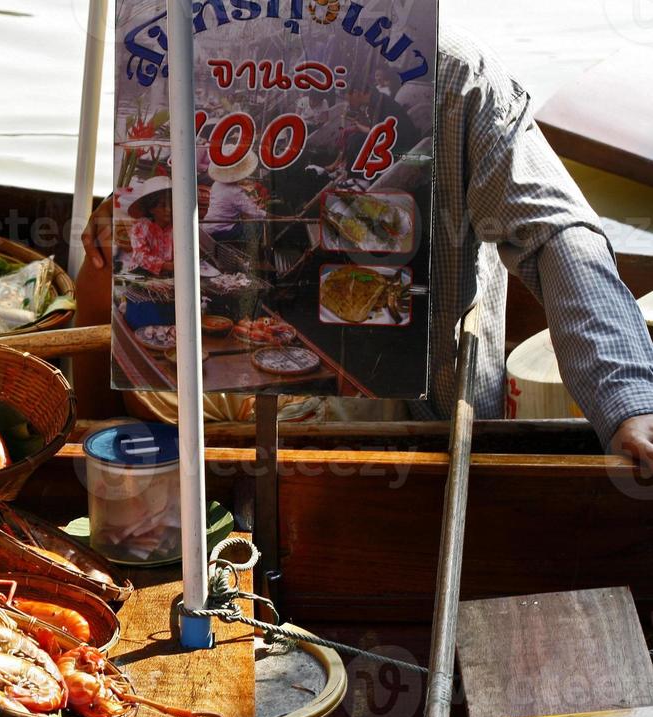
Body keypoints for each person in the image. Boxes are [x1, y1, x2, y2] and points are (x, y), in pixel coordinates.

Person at [80, 24, 653, 472]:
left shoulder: (452, 71)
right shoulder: (195, 43)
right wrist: (119, 215)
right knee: (102, 278)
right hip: (226, 411)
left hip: (408, 423)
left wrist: (628, 399)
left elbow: (555, 233)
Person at [200, 151, 266, 240]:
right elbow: (255, 213)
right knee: (256, 226)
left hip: (209, 227)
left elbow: (229, 203)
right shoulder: (234, 191)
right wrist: (276, 217)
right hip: (220, 231)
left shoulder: (217, 184)